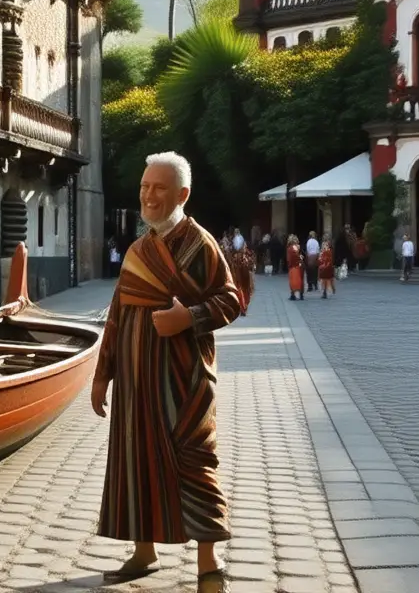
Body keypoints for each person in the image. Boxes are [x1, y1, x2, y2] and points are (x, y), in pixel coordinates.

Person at [91, 151, 239, 593]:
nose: (149, 196)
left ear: (182, 194)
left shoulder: (200, 244)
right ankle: (143, 549)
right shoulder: (138, 248)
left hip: (184, 382)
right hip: (136, 387)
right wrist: (103, 373)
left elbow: (231, 300)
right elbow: (117, 313)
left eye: (158, 187)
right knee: (137, 463)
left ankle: (209, 565)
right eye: (144, 186)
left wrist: (188, 318)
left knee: (195, 462)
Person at [231, 226, 255, 316]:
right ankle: (243, 307)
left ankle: (243, 307)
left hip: (242, 278)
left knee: (243, 290)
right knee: (244, 291)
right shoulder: (243, 257)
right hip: (242, 278)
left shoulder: (239, 257)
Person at [287, 234, 305, 301]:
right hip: (300, 264)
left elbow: (291, 258)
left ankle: (293, 295)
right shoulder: (298, 246)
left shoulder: (291, 248)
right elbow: (301, 256)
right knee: (301, 279)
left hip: (294, 265)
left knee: (293, 280)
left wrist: (290, 265)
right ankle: (301, 295)